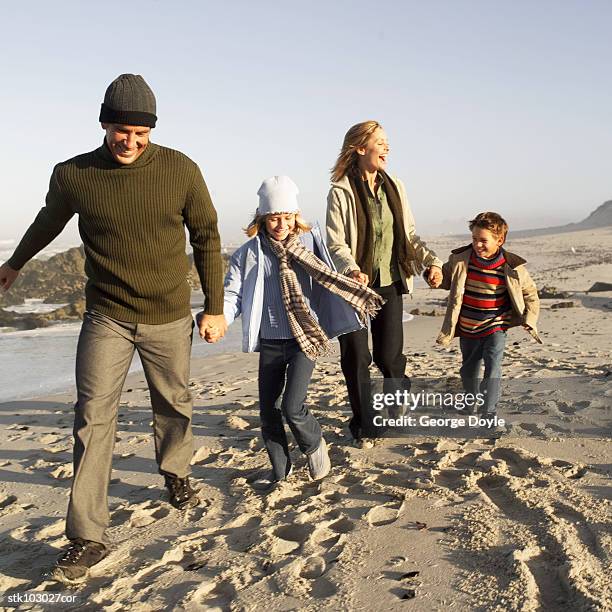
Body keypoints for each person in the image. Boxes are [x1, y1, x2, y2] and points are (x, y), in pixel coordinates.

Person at [0, 74, 226, 584]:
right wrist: (14, 263)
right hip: (106, 314)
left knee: (174, 402)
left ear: (152, 131)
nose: (130, 143)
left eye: (141, 135)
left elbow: (208, 236)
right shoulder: (74, 173)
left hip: (168, 314)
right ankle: (87, 537)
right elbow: (48, 220)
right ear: (104, 125)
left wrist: (213, 306)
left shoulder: (180, 169)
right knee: (92, 415)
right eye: (121, 132)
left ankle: (176, 472)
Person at [215, 175, 384, 486]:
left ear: (296, 216)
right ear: (262, 218)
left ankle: (314, 444)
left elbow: (332, 274)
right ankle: (280, 471)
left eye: (288, 217)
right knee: (269, 412)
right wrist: (222, 318)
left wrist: (354, 276)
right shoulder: (248, 254)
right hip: (270, 342)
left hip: (303, 339)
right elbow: (233, 295)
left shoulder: (309, 245)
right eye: (275, 218)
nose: (282, 225)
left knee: (293, 406)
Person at [326, 120, 443, 447]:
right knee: (357, 357)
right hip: (353, 288)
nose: (387, 147)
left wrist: (431, 262)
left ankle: (397, 393)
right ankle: (365, 425)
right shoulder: (340, 192)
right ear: (361, 148)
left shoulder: (397, 187)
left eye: (387, 141)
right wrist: (351, 270)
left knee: (389, 357)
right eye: (381, 141)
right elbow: (336, 243)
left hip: (390, 282)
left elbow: (409, 236)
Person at [432, 211, 541, 432]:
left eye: (483, 240)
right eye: (474, 239)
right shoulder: (461, 259)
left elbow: (530, 293)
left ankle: (489, 410)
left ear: (499, 240)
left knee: (493, 368)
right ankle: (471, 401)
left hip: (496, 325)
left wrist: (529, 318)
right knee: (468, 369)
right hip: (468, 325)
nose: (478, 244)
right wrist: (434, 276)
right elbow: (445, 278)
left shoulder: (512, 266)